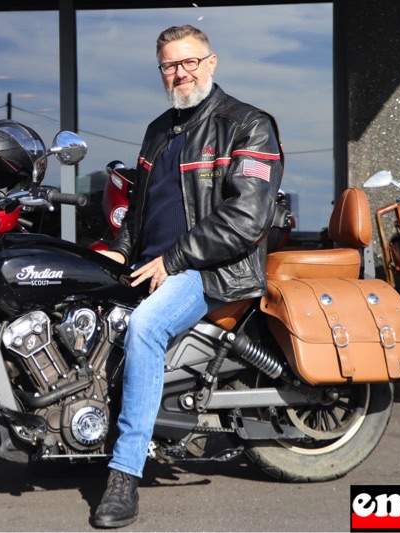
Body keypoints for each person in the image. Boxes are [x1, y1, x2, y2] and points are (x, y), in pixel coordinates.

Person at [92, 24, 284, 528]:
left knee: (146, 327)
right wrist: (119, 251)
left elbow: (247, 216)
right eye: (169, 66)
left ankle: (124, 473)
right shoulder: (159, 130)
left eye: (188, 62)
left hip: (211, 269)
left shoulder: (247, 124)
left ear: (211, 62)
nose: (179, 73)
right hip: (153, 262)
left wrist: (174, 259)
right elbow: (139, 211)